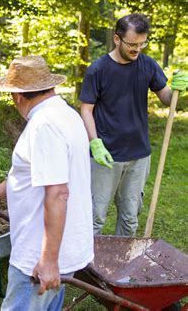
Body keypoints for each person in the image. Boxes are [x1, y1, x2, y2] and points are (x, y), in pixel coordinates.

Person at [0, 56, 94, 310]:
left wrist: (48, 261)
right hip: (57, 248)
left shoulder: (44, 126)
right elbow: (32, 172)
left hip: (37, 258)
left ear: (17, 95)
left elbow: (59, 193)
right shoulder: (66, 114)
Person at [79, 13, 188, 236]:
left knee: (129, 220)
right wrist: (95, 143)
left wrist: (178, 90)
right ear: (117, 39)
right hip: (105, 156)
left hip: (139, 155)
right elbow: (86, 110)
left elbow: (166, 99)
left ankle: (121, 270)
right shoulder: (98, 69)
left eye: (142, 44)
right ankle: (84, 270)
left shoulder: (147, 65)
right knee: (94, 219)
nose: (137, 49)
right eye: (132, 44)